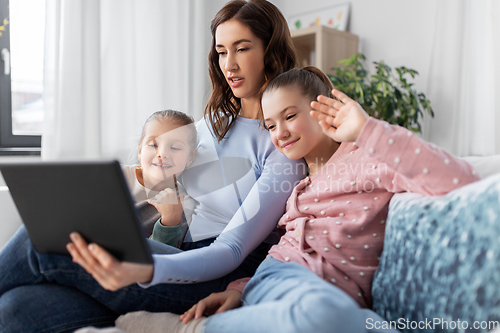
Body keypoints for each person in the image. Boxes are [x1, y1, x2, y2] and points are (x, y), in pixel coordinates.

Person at [0, 1, 305, 332]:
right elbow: (151, 173)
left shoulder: (281, 143)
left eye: (241, 49)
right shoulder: (209, 126)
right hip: (170, 253)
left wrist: (147, 268)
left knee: (39, 240)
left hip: (213, 273)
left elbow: (230, 250)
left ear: (270, 52)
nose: (229, 64)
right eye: (220, 52)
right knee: (15, 310)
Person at [124, 67, 480, 333]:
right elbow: (287, 249)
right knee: (118, 245)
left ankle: (189, 329)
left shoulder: (368, 156)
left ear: (322, 109)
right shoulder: (300, 184)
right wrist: (241, 289)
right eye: (270, 125)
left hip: (316, 294)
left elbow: (462, 180)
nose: (279, 133)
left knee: (357, 321)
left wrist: (367, 128)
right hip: (275, 280)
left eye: (290, 116)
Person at [122, 109, 197, 247]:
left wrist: (170, 222)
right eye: (153, 145)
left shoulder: (183, 205)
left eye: (174, 148)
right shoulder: (119, 176)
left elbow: (163, 258)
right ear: (140, 151)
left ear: (190, 157)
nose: (162, 154)